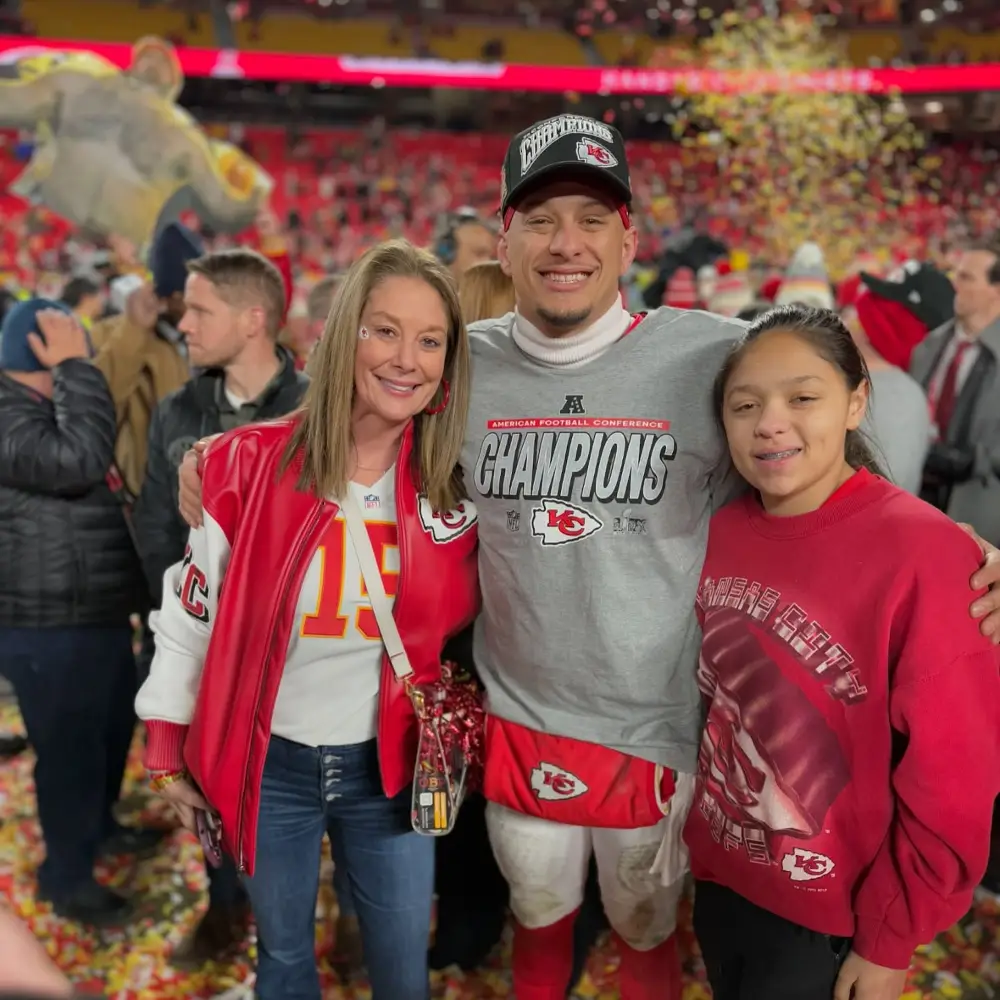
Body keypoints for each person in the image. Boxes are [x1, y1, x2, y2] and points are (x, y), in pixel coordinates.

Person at [178, 115, 1000, 1000]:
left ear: (628, 238)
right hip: (518, 716)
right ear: (506, 236)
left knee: (645, 928)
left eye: (592, 219)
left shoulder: (711, 353)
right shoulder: (459, 363)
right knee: (540, 919)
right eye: (540, 219)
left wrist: (962, 550)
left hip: (665, 730)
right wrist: (221, 456)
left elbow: (823, 459)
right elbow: (351, 414)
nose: (565, 242)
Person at [135, 239, 479, 1000]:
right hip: (271, 763)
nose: (406, 359)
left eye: (430, 340)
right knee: (284, 961)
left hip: (389, 769)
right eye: (384, 330)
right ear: (344, 332)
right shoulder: (244, 464)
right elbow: (191, 612)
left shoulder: (459, 485)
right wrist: (165, 737)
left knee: (399, 970)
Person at [687, 303, 1000, 1000]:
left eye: (803, 397)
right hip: (725, 879)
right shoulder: (720, 532)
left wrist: (891, 935)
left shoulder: (927, 556)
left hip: (833, 916)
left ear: (857, 401)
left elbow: (953, 781)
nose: (771, 422)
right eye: (745, 404)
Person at [132, 248, 309, 965]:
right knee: (209, 787)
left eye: (201, 309)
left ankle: (342, 914)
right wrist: (184, 625)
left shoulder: (318, 406)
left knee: (307, 796)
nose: (185, 322)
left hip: (297, 653)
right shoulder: (178, 408)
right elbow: (152, 526)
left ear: (253, 318)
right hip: (204, 649)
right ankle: (223, 907)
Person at [0, 301, 154, 926]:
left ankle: (100, 828)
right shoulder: (7, 414)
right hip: (46, 623)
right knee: (67, 754)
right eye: (67, 346)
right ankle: (66, 878)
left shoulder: (38, 406)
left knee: (108, 733)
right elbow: (79, 461)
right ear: (42, 353)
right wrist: (76, 368)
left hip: (92, 611)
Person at [910, 234, 1000, 542]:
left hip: (979, 514)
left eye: (966, 277)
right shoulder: (928, 346)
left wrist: (977, 461)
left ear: (996, 290)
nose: (954, 284)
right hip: (916, 496)